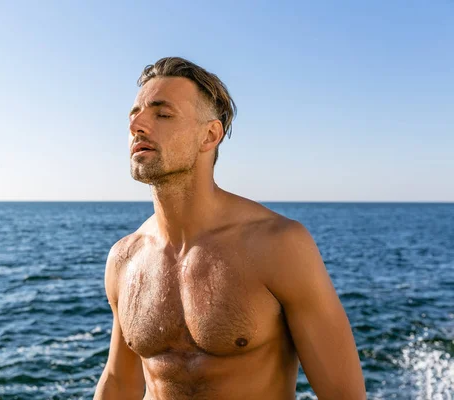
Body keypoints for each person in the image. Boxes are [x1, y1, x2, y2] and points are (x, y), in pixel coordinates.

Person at [94, 57, 366, 400]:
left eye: (162, 114)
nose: (138, 125)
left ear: (210, 135)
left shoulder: (278, 245)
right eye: (135, 114)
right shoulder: (124, 258)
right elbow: (119, 382)